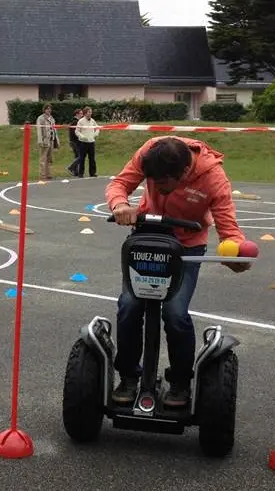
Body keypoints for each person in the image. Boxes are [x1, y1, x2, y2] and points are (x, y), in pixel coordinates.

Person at [106, 136, 250, 408]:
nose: (156, 189)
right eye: (152, 182)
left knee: (175, 312)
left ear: (183, 173)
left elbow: (228, 228)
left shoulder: (213, 177)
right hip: (149, 237)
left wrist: (237, 252)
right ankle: (128, 377)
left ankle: (181, 382)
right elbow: (120, 183)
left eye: (162, 183)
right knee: (129, 305)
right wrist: (120, 205)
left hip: (187, 246)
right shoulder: (149, 151)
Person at [75, 106, 100, 177]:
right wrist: (82, 136)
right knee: (82, 158)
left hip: (91, 142)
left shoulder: (93, 121)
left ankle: (92, 173)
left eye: (91, 112)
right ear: (85, 113)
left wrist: (95, 134)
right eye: (89, 112)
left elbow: (97, 128)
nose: (90, 113)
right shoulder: (81, 121)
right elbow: (77, 131)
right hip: (83, 143)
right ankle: (81, 173)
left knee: (92, 158)